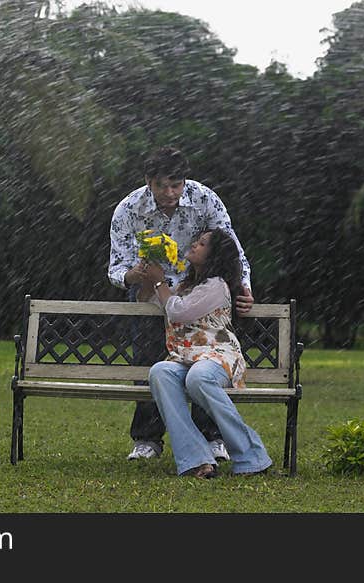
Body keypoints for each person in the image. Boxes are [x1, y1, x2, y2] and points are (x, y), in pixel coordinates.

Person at [108, 146, 254, 461]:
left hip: (200, 296)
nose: (171, 193)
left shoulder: (205, 199)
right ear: (149, 181)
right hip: (150, 299)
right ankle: (147, 438)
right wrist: (136, 274)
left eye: (177, 185)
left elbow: (232, 250)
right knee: (149, 365)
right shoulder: (128, 209)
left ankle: (213, 437)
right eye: (162, 186)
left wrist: (244, 288)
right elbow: (116, 270)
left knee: (204, 365)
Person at [143, 228, 273, 478]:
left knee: (199, 378)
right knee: (160, 371)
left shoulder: (216, 285)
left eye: (202, 244)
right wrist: (147, 277)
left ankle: (252, 456)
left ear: (214, 256)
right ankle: (196, 458)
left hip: (217, 355)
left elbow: (178, 312)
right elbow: (151, 300)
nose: (194, 245)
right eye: (197, 241)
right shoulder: (185, 285)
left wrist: (160, 281)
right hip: (186, 357)